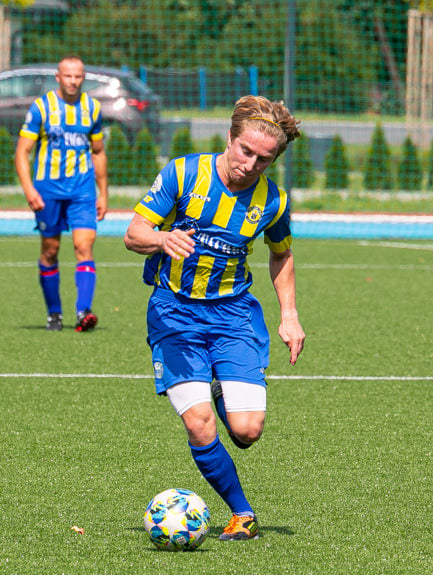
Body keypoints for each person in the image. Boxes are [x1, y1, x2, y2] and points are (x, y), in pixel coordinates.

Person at [124, 95, 305, 541]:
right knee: (199, 422)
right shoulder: (184, 173)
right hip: (175, 313)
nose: (250, 164)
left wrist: (290, 315)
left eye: (263, 159)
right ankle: (242, 514)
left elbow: (281, 256)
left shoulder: (274, 202)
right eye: (245, 151)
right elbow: (133, 234)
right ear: (230, 138)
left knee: (247, 431)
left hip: (232, 315)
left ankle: (222, 383)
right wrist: (163, 239)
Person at [14, 55, 108, 332]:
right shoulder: (41, 108)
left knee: (84, 246)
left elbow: (99, 152)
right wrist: (28, 188)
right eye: (68, 76)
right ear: (58, 77)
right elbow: (22, 152)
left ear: (83, 78)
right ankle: (54, 313)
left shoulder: (92, 108)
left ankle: (83, 311)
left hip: (82, 190)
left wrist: (103, 193)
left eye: (78, 76)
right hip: (48, 190)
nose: (73, 81)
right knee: (50, 250)